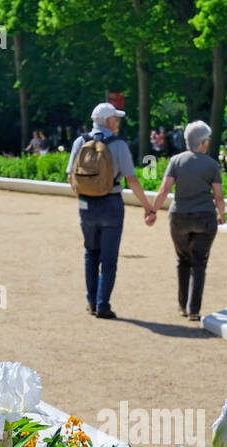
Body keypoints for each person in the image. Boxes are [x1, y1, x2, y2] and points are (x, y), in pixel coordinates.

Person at [64, 101, 157, 320]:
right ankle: (103, 304)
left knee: (90, 253)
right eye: (116, 118)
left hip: (86, 205)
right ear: (108, 120)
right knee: (109, 258)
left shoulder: (80, 141)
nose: (118, 122)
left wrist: (85, 198)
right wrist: (148, 207)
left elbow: (71, 175)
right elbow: (131, 179)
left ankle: (91, 301)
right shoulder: (118, 144)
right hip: (111, 203)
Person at [150, 120, 225, 321]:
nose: (208, 143)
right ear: (202, 142)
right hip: (205, 217)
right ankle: (194, 310)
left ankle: (182, 306)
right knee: (199, 263)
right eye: (207, 139)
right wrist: (222, 214)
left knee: (183, 260)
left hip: (179, 217)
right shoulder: (211, 164)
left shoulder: (176, 161)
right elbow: (218, 196)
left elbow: (164, 190)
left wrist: (153, 211)